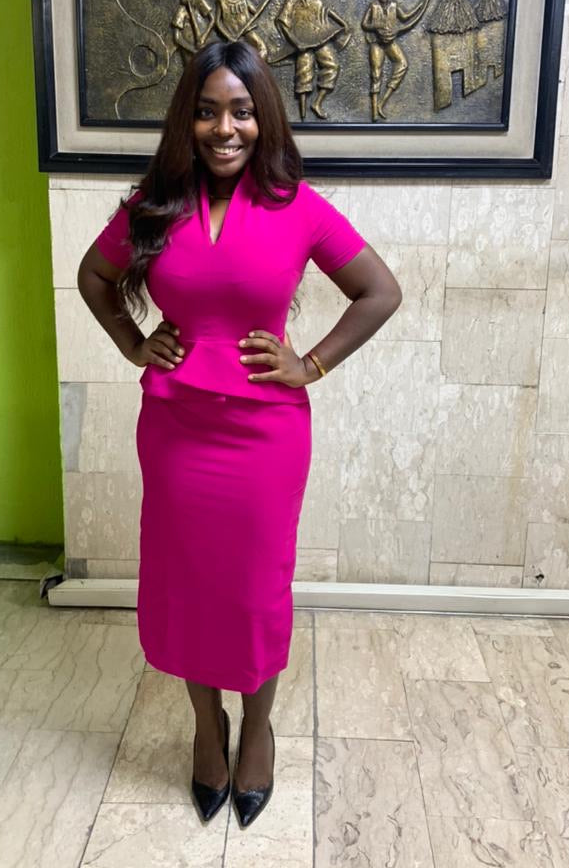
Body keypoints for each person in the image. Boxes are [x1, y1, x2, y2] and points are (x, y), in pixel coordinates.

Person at [77, 41, 401, 829]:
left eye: (243, 111)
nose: (226, 128)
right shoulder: (152, 204)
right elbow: (95, 276)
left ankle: (257, 727)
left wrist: (311, 363)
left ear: (265, 118)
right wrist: (132, 342)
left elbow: (379, 291)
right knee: (188, 583)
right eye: (208, 110)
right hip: (177, 427)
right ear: (187, 119)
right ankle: (205, 725)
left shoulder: (300, 207)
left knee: (254, 591)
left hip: (265, 436)